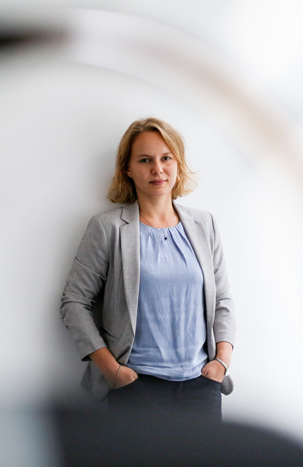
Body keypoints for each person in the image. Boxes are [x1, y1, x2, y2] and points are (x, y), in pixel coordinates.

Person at [60, 117, 235, 421]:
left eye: (166, 158)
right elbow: (73, 302)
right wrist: (112, 371)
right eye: (145, 160)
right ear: (127, 169)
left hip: (201, 388)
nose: (157, 168)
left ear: (177, 164)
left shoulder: (204, 225)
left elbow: (222, 299)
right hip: (136, 389)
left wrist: (221, 361)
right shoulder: (108, 228)